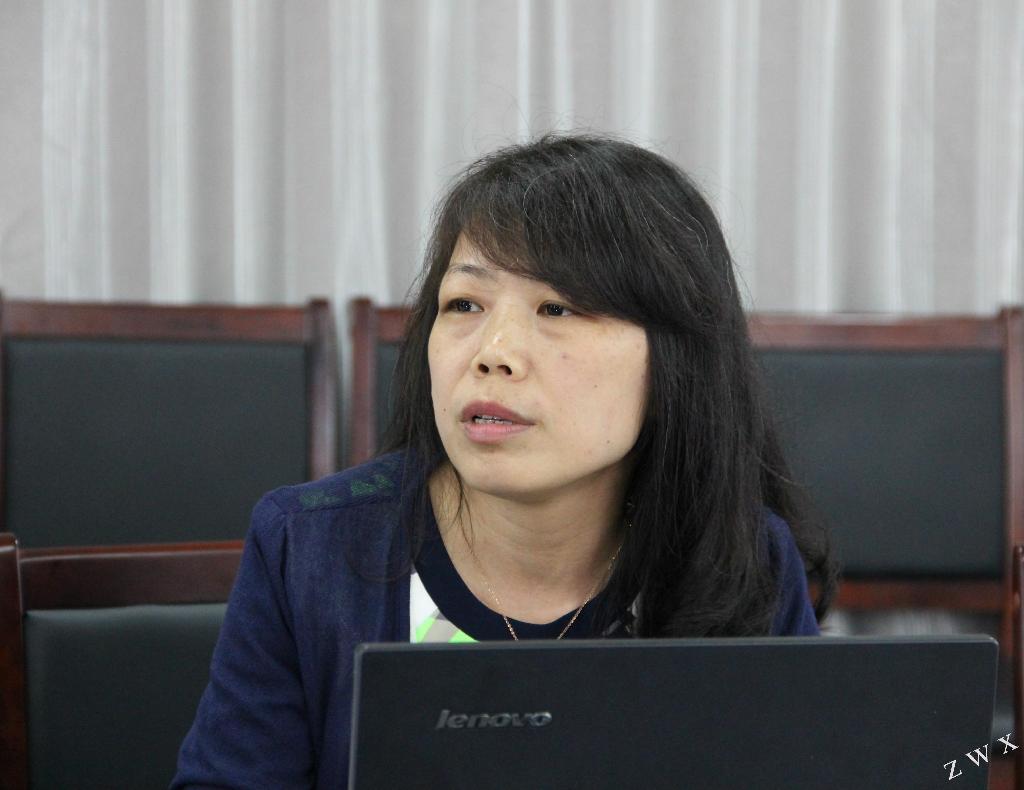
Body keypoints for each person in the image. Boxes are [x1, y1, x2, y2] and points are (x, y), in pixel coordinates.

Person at [171, 134, 835, 788]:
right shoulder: (310, 547)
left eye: (557, 307)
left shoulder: (740, 558)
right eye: (465, 304)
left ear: (674, 363)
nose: (494, 352)